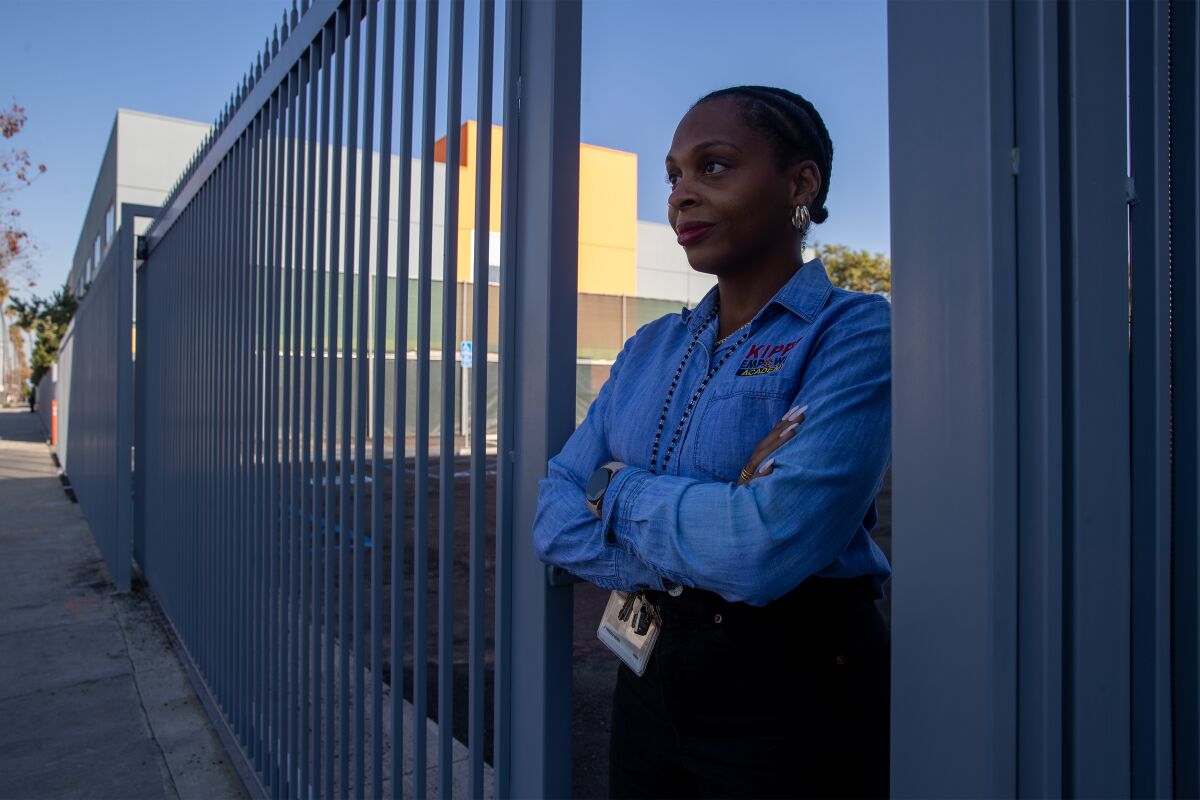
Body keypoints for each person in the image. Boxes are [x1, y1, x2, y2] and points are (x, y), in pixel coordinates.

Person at [533, 85, 891, 799]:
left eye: (714, 167)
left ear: (800, 182)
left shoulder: (852, 332)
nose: (681, 196)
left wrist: (614, 486)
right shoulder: (649, 348)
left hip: (795, 691)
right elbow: (552, 515)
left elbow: (764, 548)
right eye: (673, 176)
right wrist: (712, 524)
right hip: (647, 671)